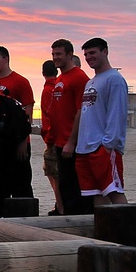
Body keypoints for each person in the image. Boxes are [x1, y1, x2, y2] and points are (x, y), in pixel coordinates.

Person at [73, 38, 128, 206]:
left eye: (93, 53)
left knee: (113, 191)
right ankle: (106, 231)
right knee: (96, 194)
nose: (89, 57)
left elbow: (117, 113)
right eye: (86, 54)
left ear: (105, 52)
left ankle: (130, 229)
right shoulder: (91, 81)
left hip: (102, 147)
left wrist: (108, 144)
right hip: (85, 148)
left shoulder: (114, 79)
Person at [0, 46, 35, 202]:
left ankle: (27, 218)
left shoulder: (20, 81)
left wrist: (23, 141)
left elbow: (27, 112)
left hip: (18, 141)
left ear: (5, 59)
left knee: (21, 183)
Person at [50, 39, 90, 215]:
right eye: (53, 54)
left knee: (76, 188)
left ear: (69, 54)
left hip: (73, 144)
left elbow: (82, 111)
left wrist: (71, 142)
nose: (55, 58)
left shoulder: (79, 77)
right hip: (59, 142)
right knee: (65, 186)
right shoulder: (60, 78)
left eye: (59, 54)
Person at [39, 60, 63, 215]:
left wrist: (48, 135)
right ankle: (60, 204)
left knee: (53, 173)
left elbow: (51, 114)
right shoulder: (59, 85)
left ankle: (60, 205)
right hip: (59, 137)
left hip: (53, 138)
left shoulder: (49, 89)